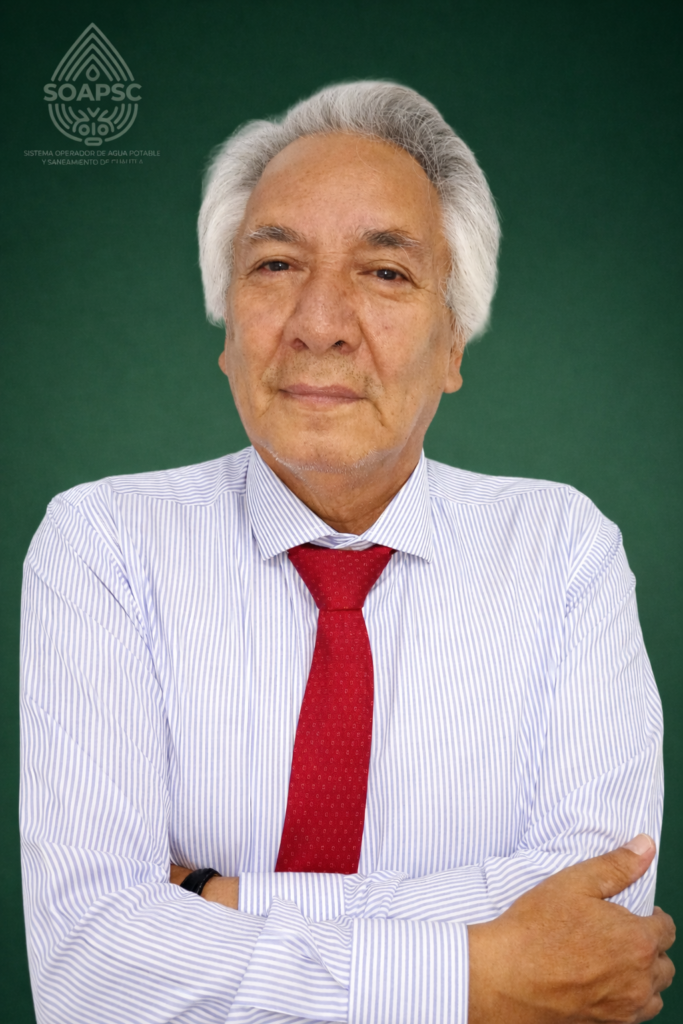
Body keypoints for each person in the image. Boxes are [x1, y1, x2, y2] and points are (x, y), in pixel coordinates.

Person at [20, 81, 674, 1024]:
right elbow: (90, 971)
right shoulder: (102, 544)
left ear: (454, 344)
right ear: (227, 332)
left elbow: (597, 921)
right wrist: (473, 976)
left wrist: (213, 897)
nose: (319, 322)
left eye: (386, 273)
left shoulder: (564, 550)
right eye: (276, 263)